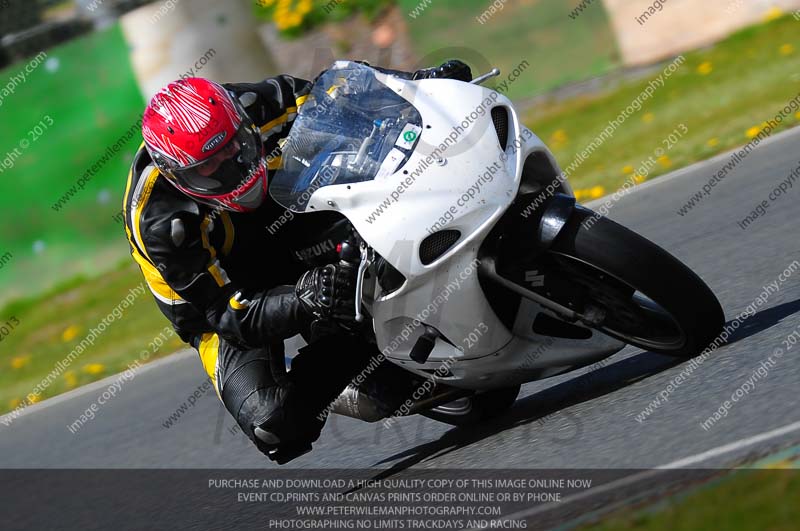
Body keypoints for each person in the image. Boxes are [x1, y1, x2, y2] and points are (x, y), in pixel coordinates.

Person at [122, 60, 471, 463]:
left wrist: (420, 84)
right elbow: (226, 315)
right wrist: (303, 300)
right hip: (224, 300)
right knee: (275, 426)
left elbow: (339, 93)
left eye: (233, 148)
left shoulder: (255, 105)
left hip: (279, 219)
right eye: (208, 169)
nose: (231, 170)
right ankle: (348, 365)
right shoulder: (164, 224)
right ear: (178, 176)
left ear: (241, 123)